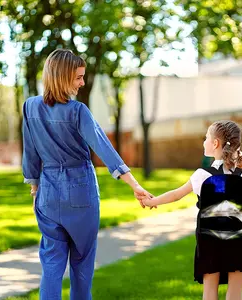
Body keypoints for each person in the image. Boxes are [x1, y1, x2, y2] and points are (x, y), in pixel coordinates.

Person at [22, 49, 152, 300]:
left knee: (51, 264)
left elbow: (30, 153)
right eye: (78, 77)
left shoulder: (30, 107)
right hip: (80, 190)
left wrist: (35, 190)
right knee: (82, 264)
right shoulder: (77, 111)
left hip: (47, 193)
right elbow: (104, 148)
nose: (82, 83)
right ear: (62, 77)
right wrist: (134, 184)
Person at [143, 120, 242, 300]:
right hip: (239, 244)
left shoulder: (203, 175)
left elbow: (176, 195)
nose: (203, 142)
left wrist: (153, 201)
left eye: (206, 138)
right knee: (235, 294)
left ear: (215, 144)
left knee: (209, 294)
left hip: (210, 244)